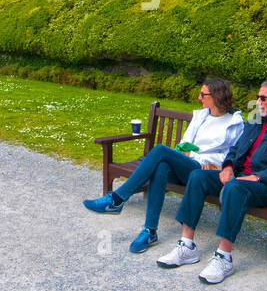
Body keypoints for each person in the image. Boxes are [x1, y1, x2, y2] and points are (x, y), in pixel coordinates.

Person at [156, 80, 267, 285]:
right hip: (238, 178)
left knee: (234, 187)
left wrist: (259, 176)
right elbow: (235, 149)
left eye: (263, 98)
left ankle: (224, 257)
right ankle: (186, 246)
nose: (258, 102)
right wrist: (228, 167)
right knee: (198, 176)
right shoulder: (255, 121)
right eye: (258, 97)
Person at [83, 78, 243, 254]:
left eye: (203, 94)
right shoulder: (201, 116)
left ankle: (117, 199)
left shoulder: (234, 123)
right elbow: (184, 143)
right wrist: (187, 152)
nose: (199, 98)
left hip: (205, 172)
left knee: (160, 150)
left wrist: (196, 155)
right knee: (161, 167)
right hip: (188, 165)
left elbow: (232, 156)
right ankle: (149, 231)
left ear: (217, 96)